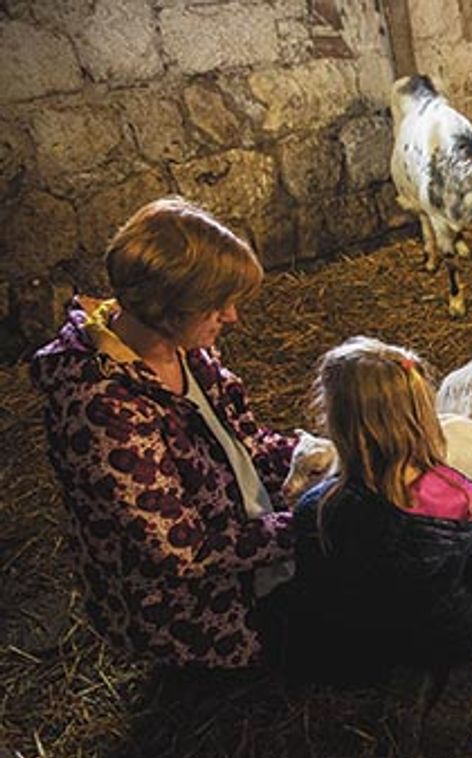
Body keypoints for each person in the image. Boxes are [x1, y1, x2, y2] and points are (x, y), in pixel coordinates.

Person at [30, 197, 298, 668]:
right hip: (198, 611)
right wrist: (313, 524)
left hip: (257, 541)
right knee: (365, 624)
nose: (232, 316)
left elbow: (245, 441)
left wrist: (328, 458)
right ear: (170, 305)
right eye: (216, 304)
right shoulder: (103, 408)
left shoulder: (183, 346)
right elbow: (184, 551)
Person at [285, 336, 472, 685]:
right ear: (425, 418)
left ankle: (397, 671)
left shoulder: (316, 507)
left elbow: (316, 584)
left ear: (337, 424)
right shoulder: (460, 497)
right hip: (454, 633)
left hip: (370, 640)